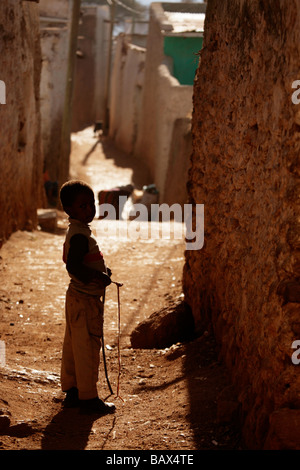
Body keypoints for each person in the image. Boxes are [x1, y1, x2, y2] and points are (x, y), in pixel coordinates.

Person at [59, 179, 116, 415]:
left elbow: (82, 263)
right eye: (83, 206)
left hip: (75, 298)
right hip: (85, 301)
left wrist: (101, 272)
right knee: (87, 347)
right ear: (69, 210)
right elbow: (73, 266)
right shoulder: (80, 236)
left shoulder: (78, 231)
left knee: (73, 345)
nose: (90, 210)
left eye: (91, 204)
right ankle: (88, 397)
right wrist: (98, 278)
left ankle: (72, 391)